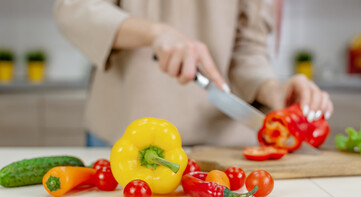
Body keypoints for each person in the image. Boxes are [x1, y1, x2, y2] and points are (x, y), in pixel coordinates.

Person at [54, 0, 333, 147]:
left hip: (223, 145)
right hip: (126, 132)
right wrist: (154, 32)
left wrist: (271, 88)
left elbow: (248, 49)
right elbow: (74, 8)